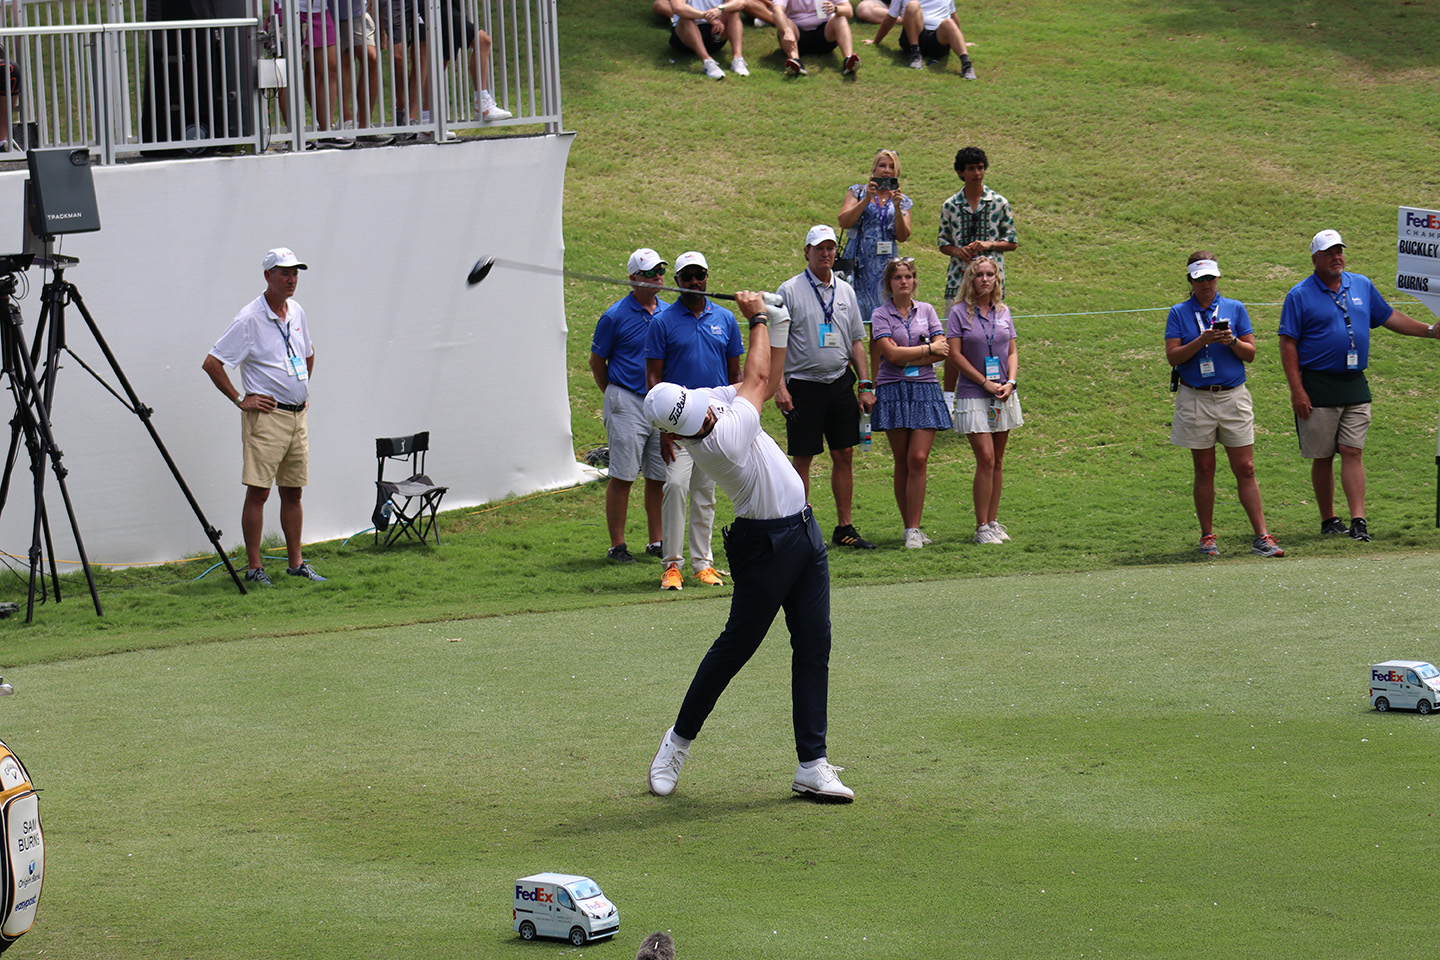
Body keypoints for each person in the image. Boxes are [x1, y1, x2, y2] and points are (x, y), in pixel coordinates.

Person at [644, 289, 854, 802]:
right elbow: (757, 381)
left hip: (805, 533)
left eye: (702, 412)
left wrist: (776, 323)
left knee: (814, 646)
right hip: (765, 547)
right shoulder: (720, 441)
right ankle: (676, 743)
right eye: (696, 424)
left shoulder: (706, 402)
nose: (706, 418)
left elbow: (766, 377)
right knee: (735, 649)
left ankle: (812, 764)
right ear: (681, 434)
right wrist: (757, 315)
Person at [1278, 229, 1440, 542]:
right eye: (1328, 253)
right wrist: (1297, 390)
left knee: (1352, 450)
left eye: (1339, 251)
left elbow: (1388, 317)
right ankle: (1329, 519)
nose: (1336, 257)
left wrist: (1431, 331)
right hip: (1318, 384)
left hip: (1354, 382)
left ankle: (1358, 520)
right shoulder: (1299, 295)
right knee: (1323, 456)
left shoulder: (1361, 284)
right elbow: (1288, 344)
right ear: (1315, 259)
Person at [202, 248, 325, 585]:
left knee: (293, 492)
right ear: (268, 276)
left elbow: (308, 354)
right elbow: (213, 363)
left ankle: (296, 563)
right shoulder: (249, 319)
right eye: (284, 273)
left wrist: (300, 390)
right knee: (259, 492)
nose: (292, 279)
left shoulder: (297, 311)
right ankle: (255, 568)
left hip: (297, 417)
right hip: (267, 418)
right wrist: (241, 399)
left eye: (295, 273)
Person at [1165, 253, 1284, 558]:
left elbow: (1250, 353)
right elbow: (1173, 357)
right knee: (1204, 469)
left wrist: (1231, 341)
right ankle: (1207, 536)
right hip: (1196, 396)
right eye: (1200, 279)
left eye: (1211, 278)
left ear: (1217, 278)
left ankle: (1262, 536)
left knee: (1246, 467)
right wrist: (1202, 341)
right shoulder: (1179, 312)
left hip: (1232, 396)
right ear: (1190, 281)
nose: (1206, 284)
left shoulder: (1235, 308)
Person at [645, 251, 744, 589]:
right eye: (687, 277)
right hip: (677, 422)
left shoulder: (725, 319)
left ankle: (703, 564)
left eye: (699, 275)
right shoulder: (662, 322)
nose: (694, 281)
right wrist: (662, 427)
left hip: (714, 421)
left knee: (705, 493)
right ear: (677, 282)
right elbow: (653, 380)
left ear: (706, 277)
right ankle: (672, 565)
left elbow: (736, 375)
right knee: (675, 486)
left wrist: (736, 415)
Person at [775, 225, 876, 550]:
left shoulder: (845, 290)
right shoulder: (789, 290)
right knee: (803, 457)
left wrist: (865, 384)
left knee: (844, 453)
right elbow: (777, 343)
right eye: (819, 248)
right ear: (807, 251)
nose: (826, 253)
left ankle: (844, 527)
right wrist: (780, 387)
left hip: (839, 382)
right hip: (803, 386)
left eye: (831, 248)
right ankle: (799, 526)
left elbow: (857, 342)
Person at [590, 249, 670, 564]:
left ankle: (657, 541)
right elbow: (597, 361)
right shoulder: (614, 316)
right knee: (623, 475)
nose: (657, 277)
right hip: (626, 399)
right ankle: (618, 546)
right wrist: (613, 394)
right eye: (649, 272)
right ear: (633, 278)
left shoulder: (668, 312)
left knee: (658, 475)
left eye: (660, 270)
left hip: (659, 404)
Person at [870, 257, 950, 548]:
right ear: (889, 283)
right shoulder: (880, 314)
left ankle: (915, 526)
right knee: (902, 460)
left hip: (925, 389)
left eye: (908, 276)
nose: (904, 281)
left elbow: (944, 351)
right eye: (898, 277)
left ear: (915, 281)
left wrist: (908, 356)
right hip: (893, 389)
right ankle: (910, 529)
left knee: (918, 458)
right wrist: (926, 349)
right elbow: (890, 355)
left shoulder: (927, 310)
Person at [943, 257, 1021, 544]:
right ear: (970, 279)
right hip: (974, 393)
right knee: (985, 458)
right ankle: (981, 527)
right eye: (979, 275)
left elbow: (1012, 351)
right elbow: (955, 355)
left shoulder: (1003, 311)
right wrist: (984, 381)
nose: (985, 279)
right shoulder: (959, 313)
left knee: (997, 460)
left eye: (990, 274)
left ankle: (993, 520)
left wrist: (1010, 382)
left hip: (1002, 393)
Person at [937, 146, 1018, 317]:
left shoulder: (999, 203)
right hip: (958, 278)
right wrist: (958, 251)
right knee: (955, 324)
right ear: (960, 172)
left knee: (992, 324)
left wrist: (990, 244)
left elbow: (1012, 242)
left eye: (980, 168)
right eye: (971, 169)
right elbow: (943, 243)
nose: (977, 173)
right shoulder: (950, 205)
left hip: (991, 280)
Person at [837, 149, 913, 327]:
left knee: (882, 321)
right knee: (850, 316)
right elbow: (844, 221)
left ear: (897, 172)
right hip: (858, 263)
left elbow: (903, 235)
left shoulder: (903, 200)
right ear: (874, 169)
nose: (886, 170)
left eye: (891, 167)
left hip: (885, 266)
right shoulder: (858, 192)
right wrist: (866, 200)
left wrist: (897, 207)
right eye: (882, 165)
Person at [864, 0, 975, 78]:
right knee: (912, 5)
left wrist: (962, 42)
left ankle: (966, 64)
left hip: (937, 38)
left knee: (949, 22)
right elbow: (891, 17)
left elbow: (953, 16)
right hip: (913, 35)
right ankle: (915, 53)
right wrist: (876, 41)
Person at [771, 0, 860, 77]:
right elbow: (777, 11)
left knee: (840, 18)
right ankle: (795, 62)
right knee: (783, 23)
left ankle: (849, 60)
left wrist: (835, 8)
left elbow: (849, 11)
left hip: (824, 34)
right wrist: (787, 30)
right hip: (797, 36)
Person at [669, 0, 750, 80]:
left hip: (715, 35)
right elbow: (678, 8)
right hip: (685, 39)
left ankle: (738, 59)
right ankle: (707, 62)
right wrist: (706, 16)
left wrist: (720, 8)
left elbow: (741, 3)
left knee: (734, 12)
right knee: (686, 18)